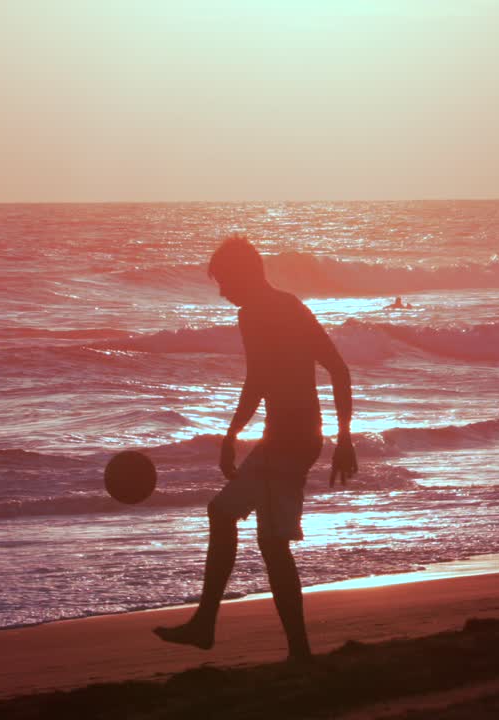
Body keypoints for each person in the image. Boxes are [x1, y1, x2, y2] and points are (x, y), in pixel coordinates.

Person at [154, 233, 358, 662]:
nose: (222, 292)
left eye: (225, 281)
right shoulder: (285, 306)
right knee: (230, 518)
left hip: (288, 441)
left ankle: (290, 650)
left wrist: (345, 440)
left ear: (244, 275)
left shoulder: (262, 312)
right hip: (293, 437)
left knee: (269, 542)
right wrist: (234, 434)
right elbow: (275, 377)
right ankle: (211, 626)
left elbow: (321, 372)